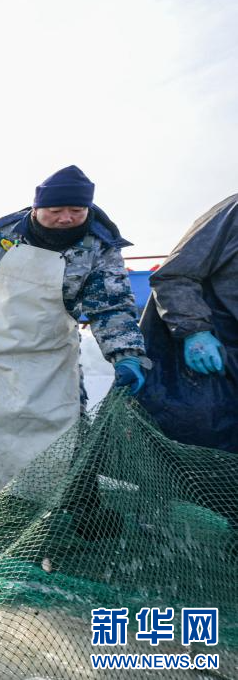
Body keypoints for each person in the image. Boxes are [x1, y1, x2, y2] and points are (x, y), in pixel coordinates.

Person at [0, 166, 149, 534]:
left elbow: (113, 306)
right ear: (38, 207)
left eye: (77, 210)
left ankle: (86, 507)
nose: (67, 218)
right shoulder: (4, 233)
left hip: (51, 353)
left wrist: (127, 354)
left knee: (66, 430)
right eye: (57, 210)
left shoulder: (98, 248)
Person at [136, 194, 238, 551]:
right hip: (202, 355)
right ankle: (160, 531)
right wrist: (194, 330)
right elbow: (174, 275)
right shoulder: (233, 213)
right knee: (202, 442)